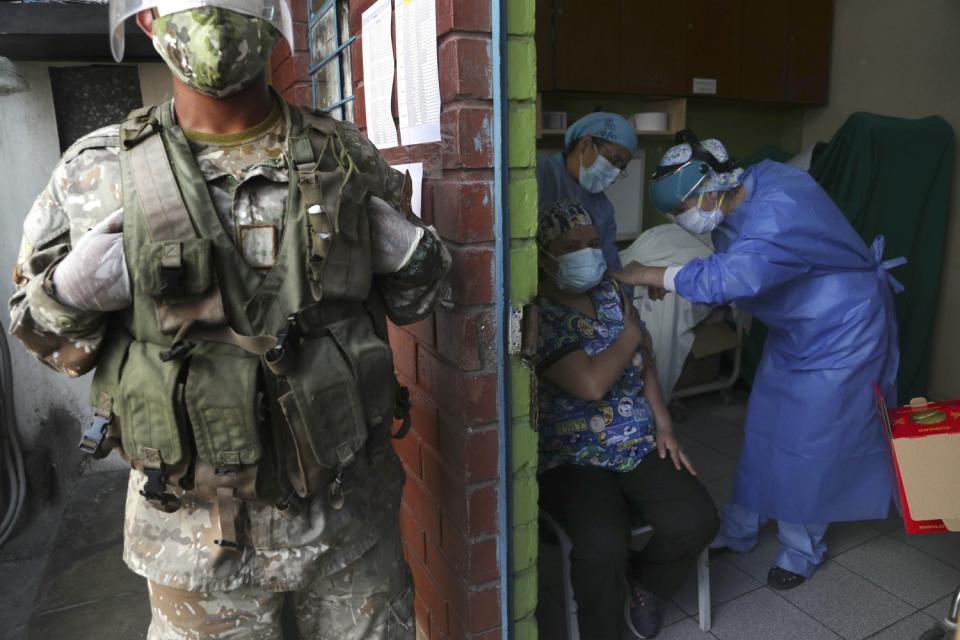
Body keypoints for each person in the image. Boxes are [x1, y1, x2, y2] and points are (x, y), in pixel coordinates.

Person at [8, 1, 451, 637]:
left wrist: (409, 251)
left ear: (271, 19)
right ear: (147, 20)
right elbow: (42, 334)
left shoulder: (346, 155)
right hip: (193, 545)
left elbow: (419, 300)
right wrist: (71, 293)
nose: (215, 14)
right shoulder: (95, 171)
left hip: (348, 527)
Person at [615, 130, 901, 590]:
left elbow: (736, 275)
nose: (679, 219)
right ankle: (741, 528)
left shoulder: (781, 203)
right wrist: (671, 278)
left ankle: (800, 548)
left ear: (709, 187)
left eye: (680, 210)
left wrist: (649, 273)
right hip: (797, 325)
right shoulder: (744, 189)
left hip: (843, 328)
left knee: (810, 441)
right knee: (765, 425)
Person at [535, 200, 718, 640]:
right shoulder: (536, 314)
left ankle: (645, 583)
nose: (585, 253)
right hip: (572, 458)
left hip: (636, 442)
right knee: (603, 547)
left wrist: (665, 425)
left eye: (592, 244)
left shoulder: (611, 293)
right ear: (542, 254)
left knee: (698, 520)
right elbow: (591, 384)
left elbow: (646, 364)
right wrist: (632, 332)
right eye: (569, 246)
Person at [536, 112, 637, 274]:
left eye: (621, 167)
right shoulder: (540, 174)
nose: (615, 172)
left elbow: (610, 267)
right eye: (613, 159)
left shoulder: (603, 210)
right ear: (585, 143)